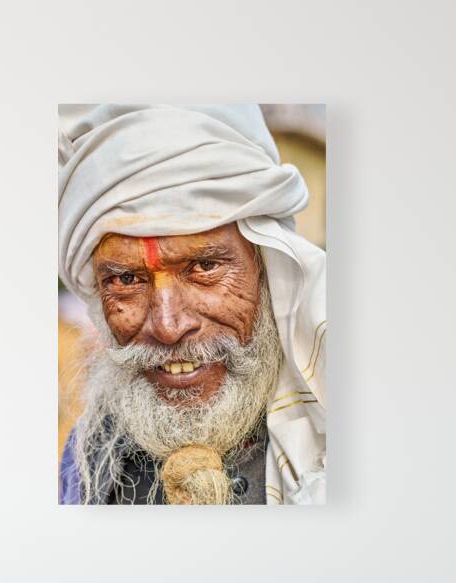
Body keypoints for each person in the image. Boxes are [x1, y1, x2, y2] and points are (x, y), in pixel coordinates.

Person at [58, 104, 326, 504]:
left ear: (265, 267)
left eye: (204, 267)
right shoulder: (89, 461)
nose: (168, 326)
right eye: (127, 279)